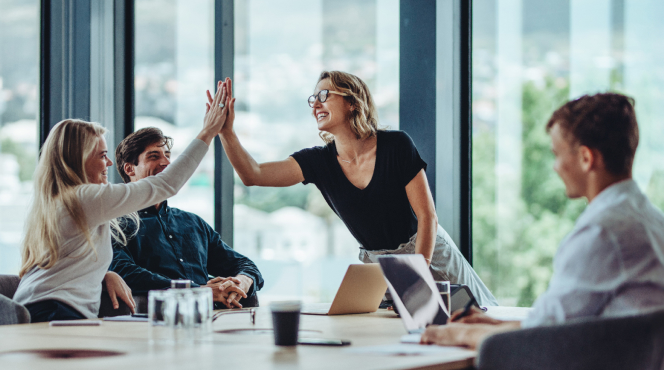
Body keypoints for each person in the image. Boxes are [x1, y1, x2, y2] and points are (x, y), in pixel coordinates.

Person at [420, 93, 664, 350]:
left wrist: (460, 333)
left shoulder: (603, 232)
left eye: (557, 154)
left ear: (586, 158)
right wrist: (493, 323)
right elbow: (561, 323)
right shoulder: (659, 224)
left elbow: (542, 338)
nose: (555, 166)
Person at [213, 73, 497, 306]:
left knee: (480, 316)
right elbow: (253, 174)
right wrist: (226, 132)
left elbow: (427, 217)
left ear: (352, 102)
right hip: (378, 266)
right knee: (397, 337)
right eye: (313, 99)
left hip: (427, 250)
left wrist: (415, 273)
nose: (315, 104)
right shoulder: (318, 161)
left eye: (325, 95)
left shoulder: (397, 145)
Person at [12, 82, 233, 322]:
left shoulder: (59, 200)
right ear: (78, 159)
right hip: (54, 313)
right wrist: (208, 132)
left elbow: (66, 262)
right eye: (101, 155)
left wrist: (104, 274)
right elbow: (165, 185)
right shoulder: (83, 198)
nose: (108, 164)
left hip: (40, 308)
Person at [109, 127, 264, 309]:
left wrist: (242, 282)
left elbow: (244, 264)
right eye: (154, 156)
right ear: (129, 169)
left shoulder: (193, 222)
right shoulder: (116, 224)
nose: (166, 162)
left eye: (167, 155)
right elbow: (123, 272)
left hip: (213, 320)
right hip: (157, 321)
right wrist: (197, 291)